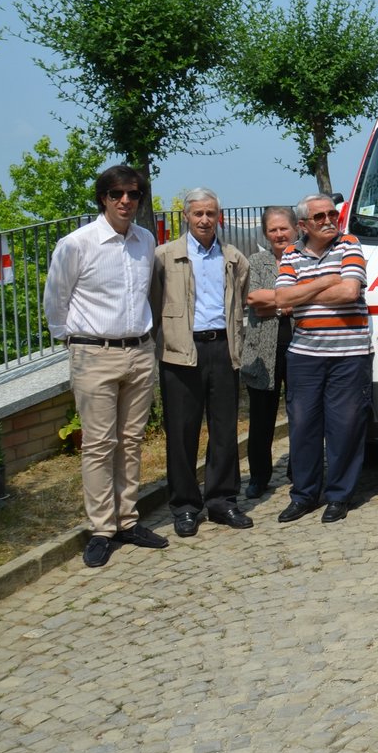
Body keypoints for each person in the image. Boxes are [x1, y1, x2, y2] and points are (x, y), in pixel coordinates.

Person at [43, 164, 169, 568]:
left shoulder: (145, 240)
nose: (126, 201)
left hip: (138, 351)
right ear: (103, 198)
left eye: (133, 194)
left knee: (131, 441)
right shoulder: (77, 244)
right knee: (99, 445)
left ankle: (127, 519)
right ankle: (101, 528)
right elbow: (55, 301)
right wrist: (74, 340)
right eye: (117, 194)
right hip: (93, 353)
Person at [251, 193, 372, 525]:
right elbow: (282, 298)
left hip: (348, 353)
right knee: (303, 427)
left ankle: (338, 496)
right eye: (319, 217)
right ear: (303, 224)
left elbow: (349, 292)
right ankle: (304, 495)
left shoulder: (349, 244)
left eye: (332, 213)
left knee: (344, 427)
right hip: (304, 355)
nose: (329, 220)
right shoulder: (292, 252)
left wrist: (305, 290)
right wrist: (326, 280)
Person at [151, 188, 250, 538]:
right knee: (181, 432)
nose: (205, 220)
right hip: (181, 351)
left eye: (211, 214)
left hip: (222, 349)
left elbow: (239, 299)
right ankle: (185, 506)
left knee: (224, 429)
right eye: (198, 214)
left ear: (218, 217)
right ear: (186, 217)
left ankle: (222, 500)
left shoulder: (234, 257)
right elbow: (153, 302)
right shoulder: (164, 256)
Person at [240, 207, 296, 500]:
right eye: (273, 230)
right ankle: (259, 477)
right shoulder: (257, 261)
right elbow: (252, 298)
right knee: (262, 419)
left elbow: (314, 293)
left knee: (300, 414)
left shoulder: (304, 258)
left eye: (283, 228)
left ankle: (298, 471)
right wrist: (287, 303)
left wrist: (271, 301)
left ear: (295, 228)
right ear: (265, 233)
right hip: (262, 350)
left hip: (300, 347)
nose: (279, 234)